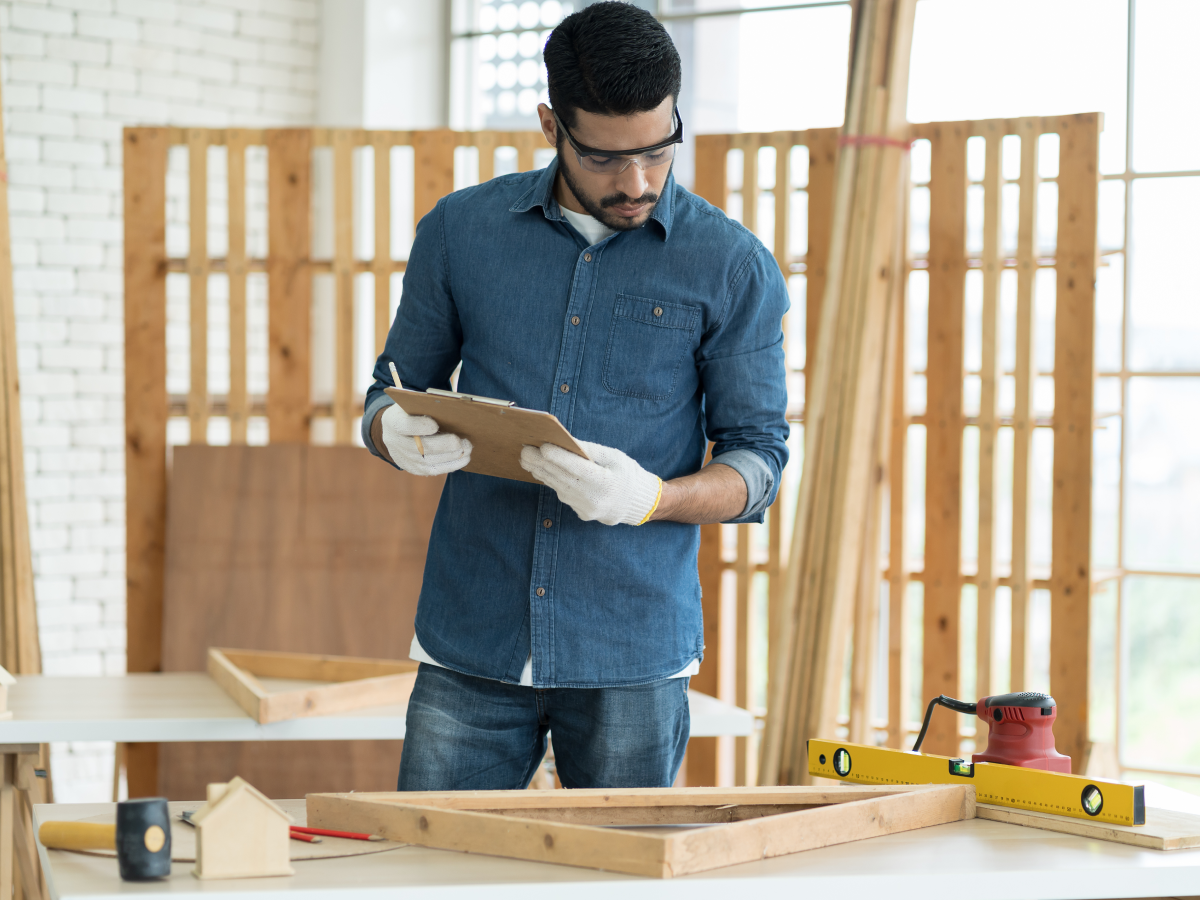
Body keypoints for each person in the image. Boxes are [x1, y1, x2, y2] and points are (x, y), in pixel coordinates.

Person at [363, 1, 789, 791]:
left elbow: (759, 462)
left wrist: (652, 497)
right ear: (551, 126)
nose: (637, 184)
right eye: (604, 159)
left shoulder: (731, 264)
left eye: (659, 152)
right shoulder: (459, 232)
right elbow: (387, 392)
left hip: (633, 652)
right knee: (430, 871)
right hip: (470, 641)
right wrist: (394, 432)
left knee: (622, 878)